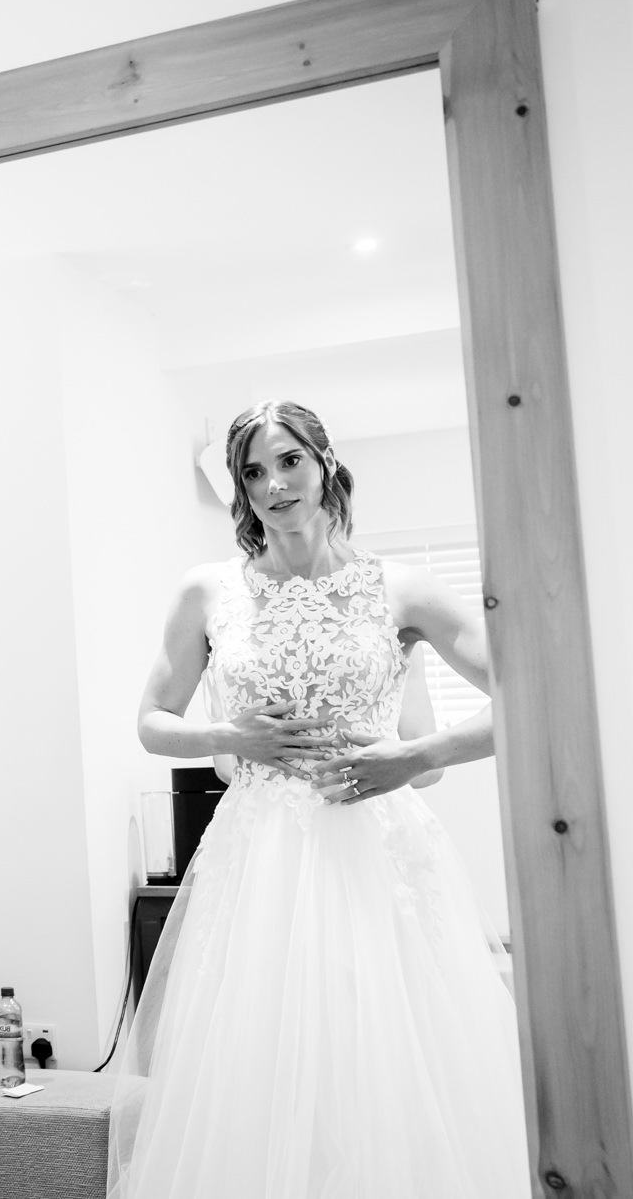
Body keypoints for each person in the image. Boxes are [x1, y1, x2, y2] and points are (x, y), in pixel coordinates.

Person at [113, 399, 527, 1198]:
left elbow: (530, 690)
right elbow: (151, 721)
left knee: (388, 1058)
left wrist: (416, 755)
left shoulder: (399, 588)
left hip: (378, 851)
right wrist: (231, 736)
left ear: (325, 460)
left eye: (289, 460)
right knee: (261, 1068)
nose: (273, 484)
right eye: (253, 471)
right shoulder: (208, 591)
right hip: (259, 861)